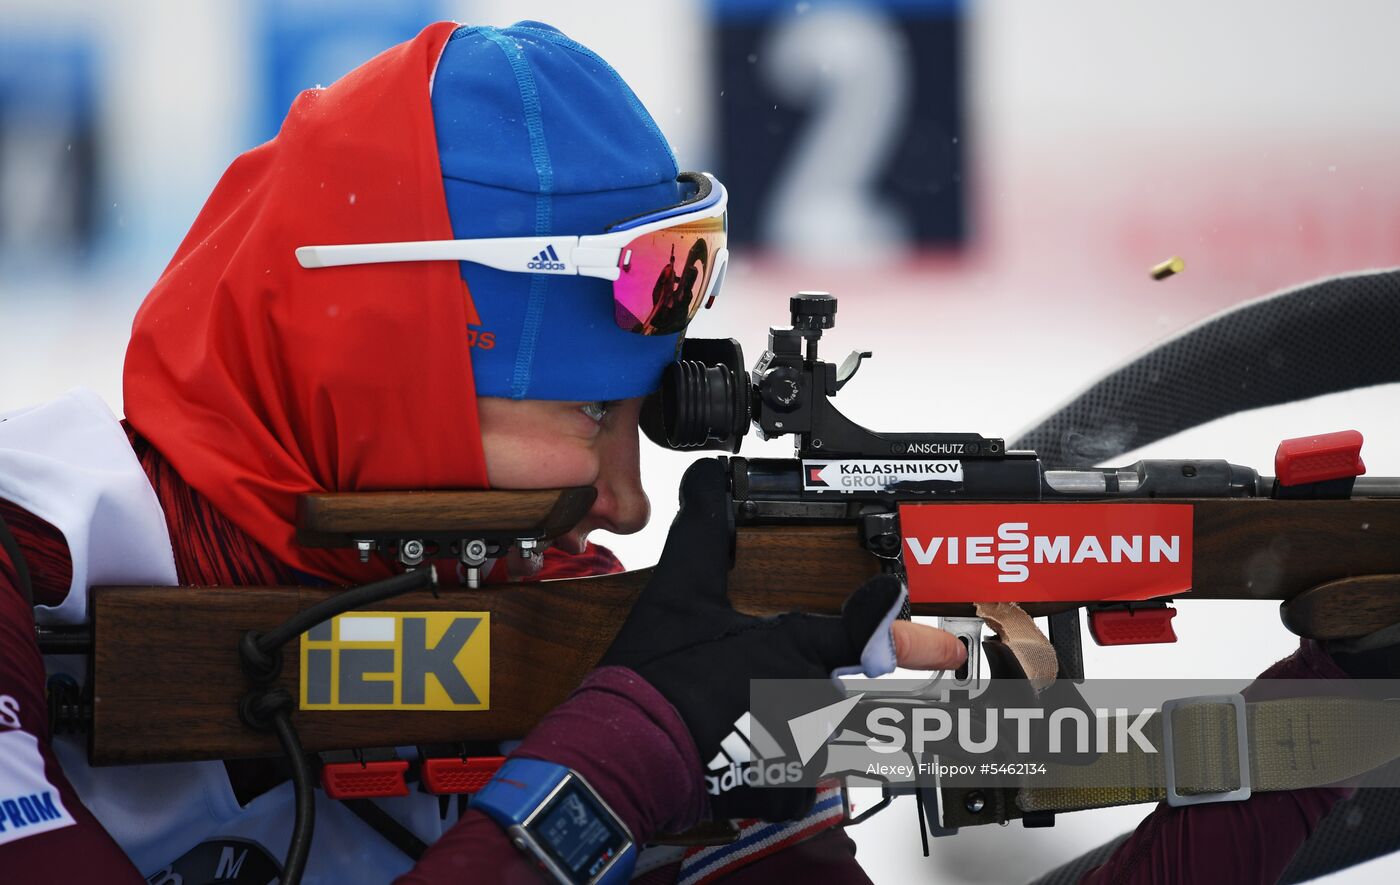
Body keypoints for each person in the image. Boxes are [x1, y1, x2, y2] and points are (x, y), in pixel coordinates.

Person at [0, 19, 1365, 885]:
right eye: (591, 414)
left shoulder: (574, 633)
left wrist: (1325, 724)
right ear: (388, 368)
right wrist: (620, 757)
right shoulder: (36, 559)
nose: (626, 494)